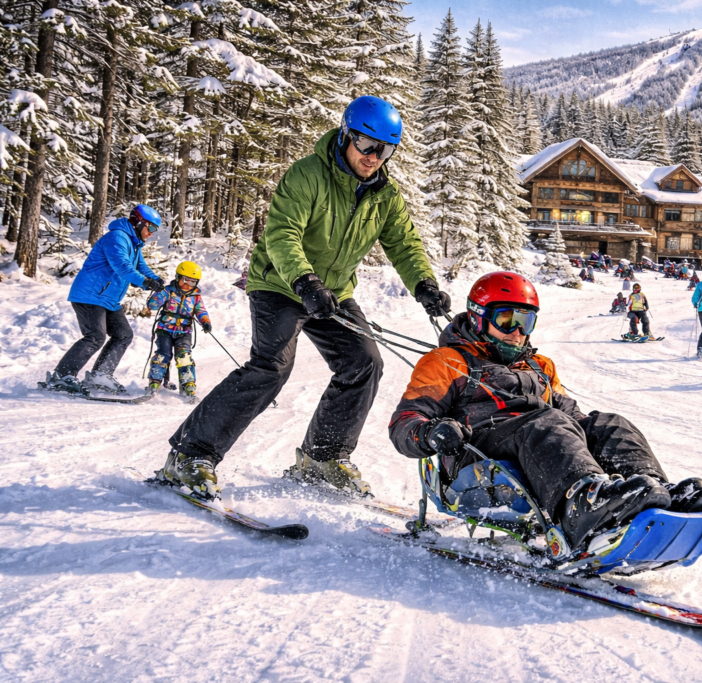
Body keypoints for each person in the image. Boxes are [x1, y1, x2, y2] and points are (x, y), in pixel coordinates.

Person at [157, 95, 450, 499]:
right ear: (348, 135)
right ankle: (190, 455)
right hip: (280, 283)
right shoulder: (308, 174)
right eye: (367, 145)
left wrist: (424, 284)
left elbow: (404, 245)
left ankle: (323, 457)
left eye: (385, 150)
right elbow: (282, 234)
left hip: (333, 292)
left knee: (364, 362)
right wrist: (305, 281)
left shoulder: (386, 195)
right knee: (271, 367)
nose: (374, 157)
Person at [387, 272, 702, 552]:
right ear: (479, 317)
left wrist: (595, 432)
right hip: (479, 460)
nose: (517, 331)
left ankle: (654, 497)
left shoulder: (540, 365)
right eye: (507, 319)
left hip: (539, 447)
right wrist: (432, 432)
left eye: (525, 320)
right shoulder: (448, 361)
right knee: (546, 421)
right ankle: (580, 508)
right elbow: (405, 422)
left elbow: (572, 419)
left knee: (608, 424)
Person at [43, 205, 165, 395]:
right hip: (90, 296)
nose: (151, 234)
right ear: (139, 222)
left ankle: (101, 374)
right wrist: (145, 282)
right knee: (95, 336)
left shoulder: (133, 243)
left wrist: (156, 280)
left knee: (124, 334)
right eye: (151, 228)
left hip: (107, 299)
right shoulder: (116, 238)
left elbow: (141, 266)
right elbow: (123, 267)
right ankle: (62, 376)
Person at [144, 261, 212, 398]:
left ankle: (188, 385)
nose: (188, 285)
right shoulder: (168, 291)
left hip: (184, 332)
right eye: (185, 280)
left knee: (184, 357)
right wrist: (159, 293)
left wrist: (205, 321)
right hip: (165, 330)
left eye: (193, 282)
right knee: (163, 355)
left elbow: (201, 311)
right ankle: (154, 382)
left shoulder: (196, 297)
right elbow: (152, 304)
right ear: (177, 277)